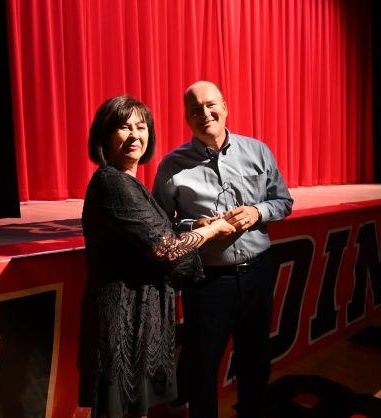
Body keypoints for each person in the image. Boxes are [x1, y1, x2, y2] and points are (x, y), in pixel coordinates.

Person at [79, 95, 236, 418]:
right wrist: (213, 229)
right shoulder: (113, 182)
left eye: (141, 127)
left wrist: (193, 226)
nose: (135, 135)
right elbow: (167, 249)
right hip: (122, 321)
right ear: (104, 135)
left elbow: (151, 236)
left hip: (137, 316)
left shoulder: (127, 181)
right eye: (124, 127)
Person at [152, 81, 293, 418]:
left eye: (211, 105)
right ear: (187, 118)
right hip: (208, 283)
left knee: (255, 361)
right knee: (202, 369)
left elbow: (283, 201)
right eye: (195, 109)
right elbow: (160, 227)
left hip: (258, 274)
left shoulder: (258, 151)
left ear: (225, 107)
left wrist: (257, 212)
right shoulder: (171, 166)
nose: (205, 113)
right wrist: (195, 227)